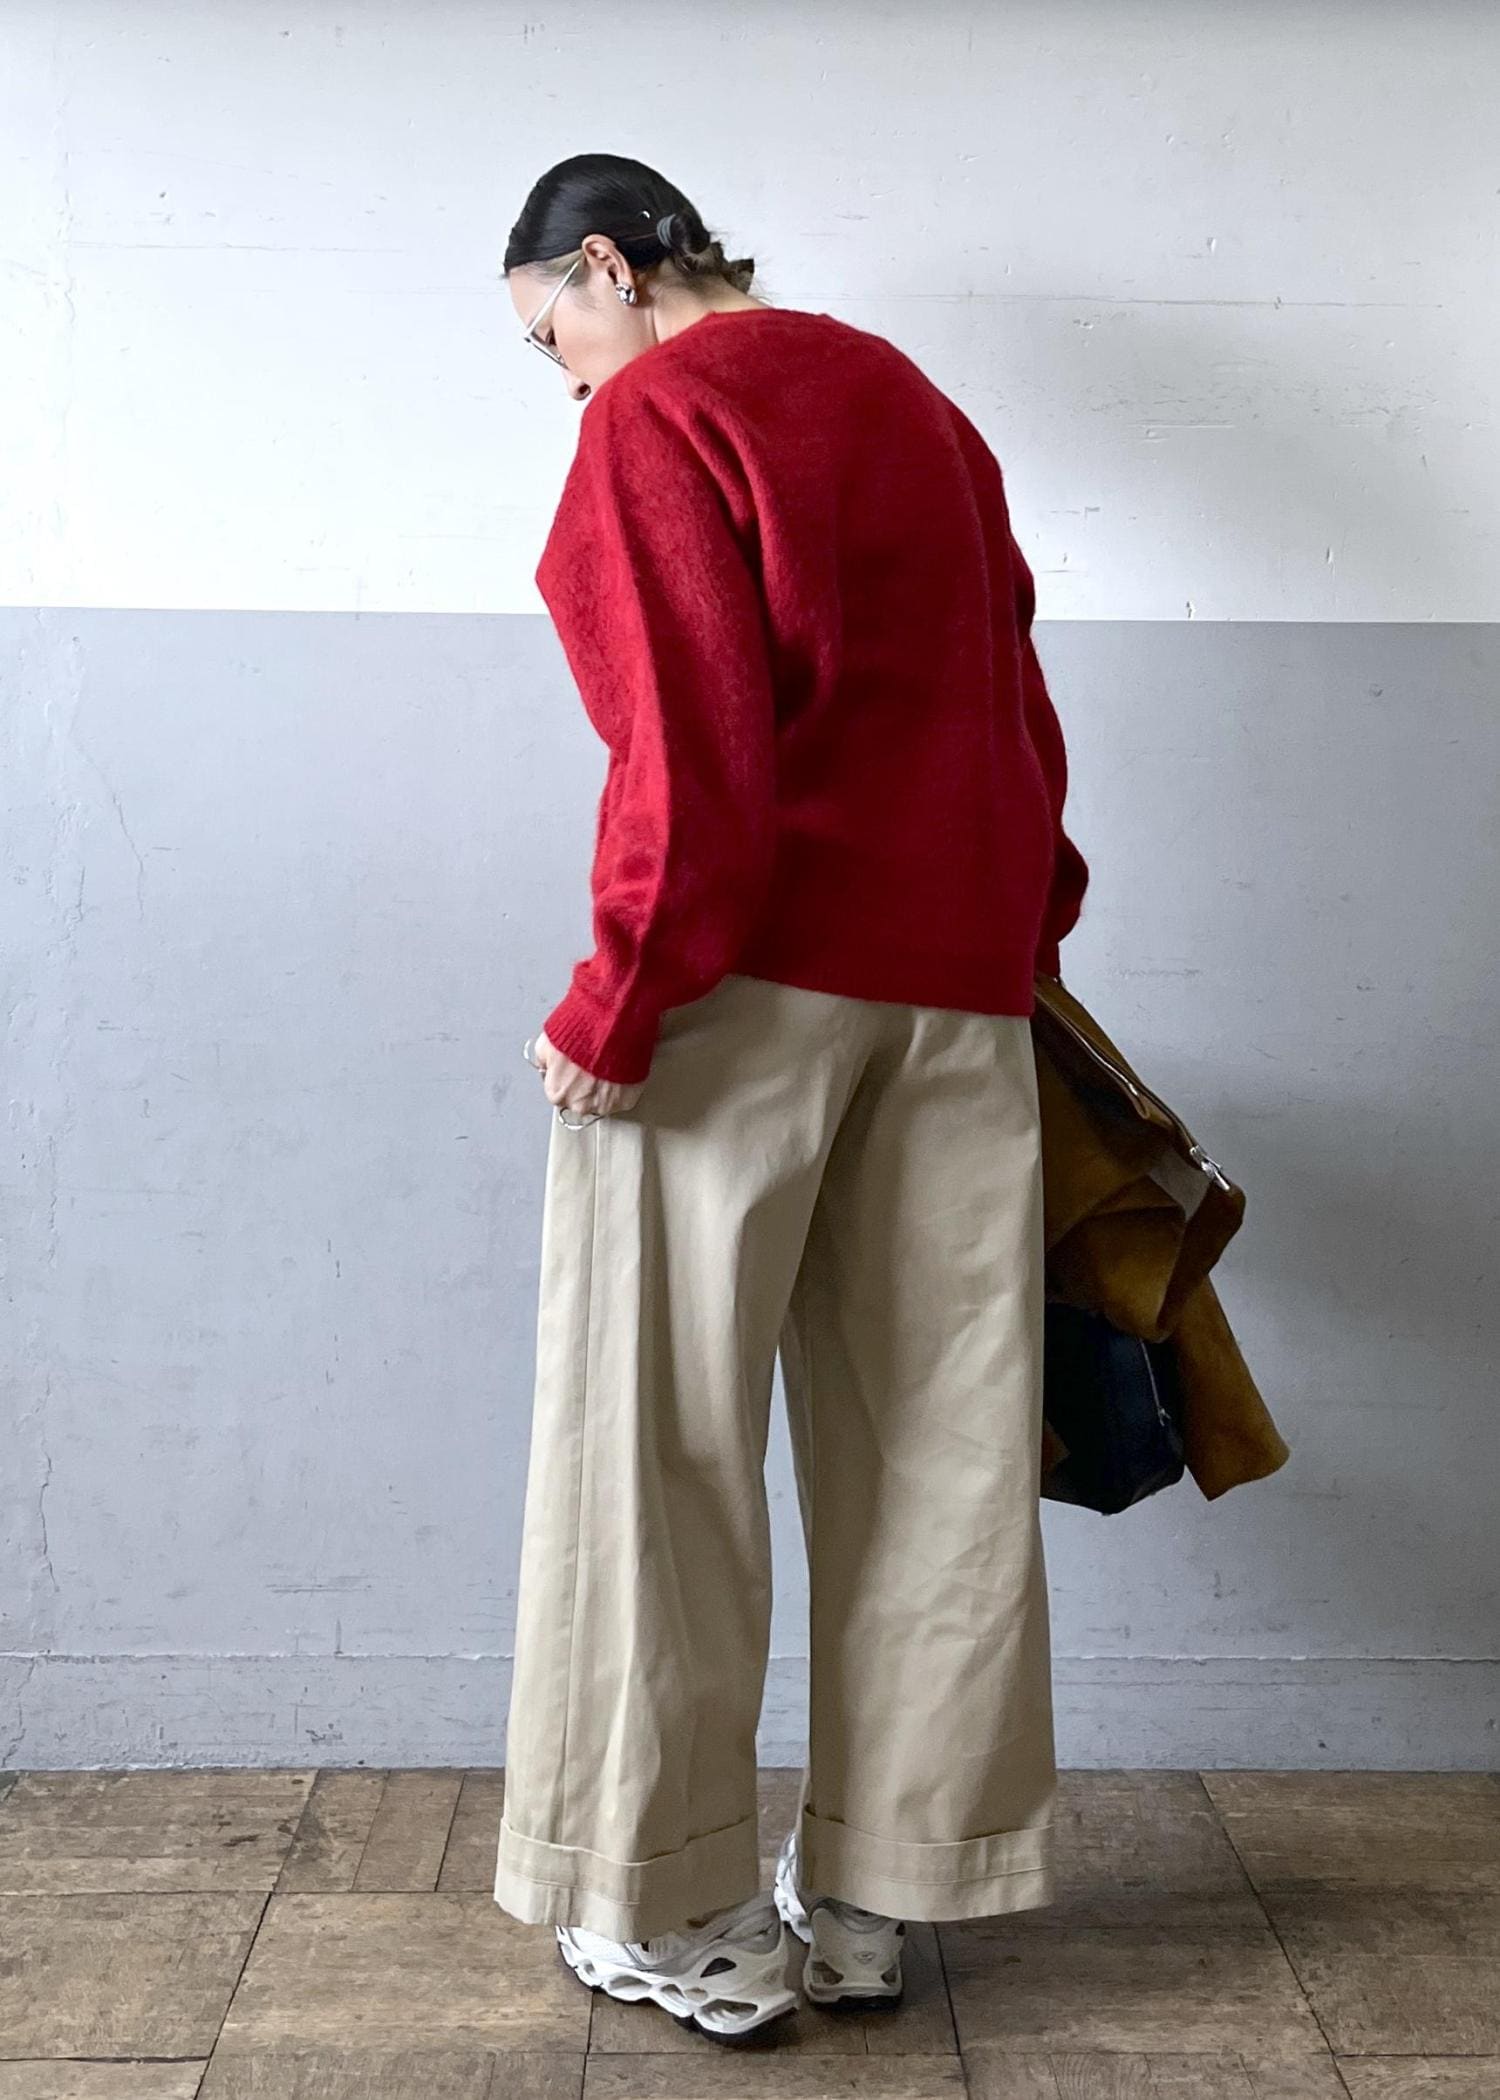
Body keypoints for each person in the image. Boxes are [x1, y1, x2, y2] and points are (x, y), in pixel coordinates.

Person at [493, 153, 1090, 2045]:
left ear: (610, 266)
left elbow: (686, 736)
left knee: (655, 1448)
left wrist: (621, 994)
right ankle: (876, 1896)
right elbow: (1012, 692)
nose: (563, 377)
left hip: (741, 988)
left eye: (548, 336)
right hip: (958, 993)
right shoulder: (915, 405)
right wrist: (1018, 933)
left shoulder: (662, 413)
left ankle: (666, 1908)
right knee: (939, 1450)